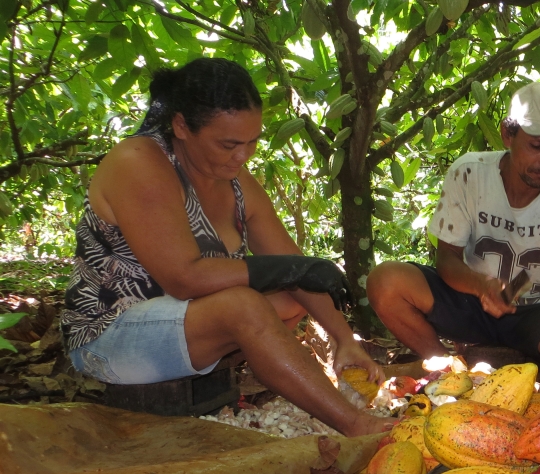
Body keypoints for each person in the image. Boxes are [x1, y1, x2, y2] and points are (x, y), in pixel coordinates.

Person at [60, 58, 388, 436]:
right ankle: (356, 426)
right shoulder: (138, 162)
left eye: (252, 142)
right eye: (229, 144)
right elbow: (185, 277)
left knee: (298, 294)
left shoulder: (235, 180)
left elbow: (292, 263)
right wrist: (287, 271)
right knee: (244, 305)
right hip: (108, 336)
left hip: (189, 323)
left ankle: (265, 362)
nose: (243, 155)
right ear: (181, 125)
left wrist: (343, 340)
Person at [366, 81, 540, 390]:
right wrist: (481, 285)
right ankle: (445, 371)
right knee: (385, 281)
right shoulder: (469, 174)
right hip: (472, 300)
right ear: (508, 134)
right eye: (537, 146)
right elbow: (446, 259)